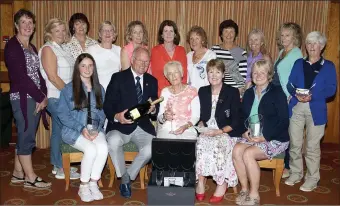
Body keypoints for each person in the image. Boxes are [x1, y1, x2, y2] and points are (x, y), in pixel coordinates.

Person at [285, 31, 337, 192]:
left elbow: (331, 89)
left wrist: (312, 96)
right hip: (297, 106)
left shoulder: (328, 66)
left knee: (312, 146)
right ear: (305, 46)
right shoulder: (298, 63)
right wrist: (296, 94)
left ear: (321, 46)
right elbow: (289, 84)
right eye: (309, 43)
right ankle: (296, 172)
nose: (312, 46)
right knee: (295, 143)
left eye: (315, 43)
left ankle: (313, 178)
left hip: (316, 108)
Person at [4, 9, 51, 189]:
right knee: (26, 136)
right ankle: (30, 177)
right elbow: (20, 77)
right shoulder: (13, 46)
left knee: (26, 135)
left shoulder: (31, 47)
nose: (27, 25)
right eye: (23, 22)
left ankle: (17, 173)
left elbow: (37, 75)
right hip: (23, 98)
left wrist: (44, 94)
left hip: (35, 97)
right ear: (16, 25)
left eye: (30, 22)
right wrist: (40, 96)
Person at [232, 59, 289, 205]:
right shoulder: (249, 93)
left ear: (269, 74)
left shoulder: (277, 92)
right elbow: (241, 116)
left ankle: (254, 194)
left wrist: (265, 137)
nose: (258, 75)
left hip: (274, 137)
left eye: (262, 72)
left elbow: (283, 121)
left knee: (248, 153)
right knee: (237, 149)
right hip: (253, 135)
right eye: (255, 72)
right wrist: (244, 131)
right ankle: (244, 189)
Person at [104, 47, 158, 198]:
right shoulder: (118, 78)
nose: (143, 64)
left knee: (153, 147)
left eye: (146, 62)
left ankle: (126, 177)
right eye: (140, 60)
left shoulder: (152, 81)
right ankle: (125, 178)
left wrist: (153, 110)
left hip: (143, 126)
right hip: (120, 126)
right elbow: (107, 104)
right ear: (132, 59)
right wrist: (117, 116)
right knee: (113, 142)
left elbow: (155, 106)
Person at [57, 53, 107, 202]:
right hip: (73, 130)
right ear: (78, 68)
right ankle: (83, 186)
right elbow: (63, 114)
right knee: (91, 149)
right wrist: (81, 129)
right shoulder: (68, 89)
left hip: (94, 129)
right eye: (83, 65)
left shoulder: (100, 88)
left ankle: (93, 183)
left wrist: (96, 129)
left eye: (90, 65)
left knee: (103, 148)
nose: (87, 68)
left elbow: (103, 112)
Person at [195, 59, 243, 203]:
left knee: (220, 146)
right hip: (207, 130)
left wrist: (219, 132)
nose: (214, 75)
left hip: (226, 132)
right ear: (207, 75)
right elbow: (200, 116)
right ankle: (201, 182)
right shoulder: (202, 91)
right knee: (201, 144)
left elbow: (236, 121)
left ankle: (222, 184)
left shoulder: (232, 92)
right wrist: (202, 124)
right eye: (210, 72)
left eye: (217, 72)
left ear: (223, 74)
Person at [39, 18, 80, 180]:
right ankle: (61, 165)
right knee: (66, 128)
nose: (62, 33)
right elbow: (53, 77)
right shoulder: (48, 49)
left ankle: (58, 166)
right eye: (57, 31)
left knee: (57, 130)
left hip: (63, 96)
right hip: (56, 97)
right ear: (49, 33)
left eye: (63, 30)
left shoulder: (62, 48)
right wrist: (71, 95)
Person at [273, 22, 303, 178]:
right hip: (277, 96)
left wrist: (292, 95)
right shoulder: (282, 52)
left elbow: (300, 77)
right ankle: (280, 162)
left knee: (288, 132)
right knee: (280, 129)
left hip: (288, 97)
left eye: (288, 35)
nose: (284, 38)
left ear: (295, 37)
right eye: (282, 35)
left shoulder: (296, 54)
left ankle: (288, 166)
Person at [157, 61, 199, 139]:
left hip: (187, 129)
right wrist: (164, 116)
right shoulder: (165, 92)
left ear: (181, 74)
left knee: (185, 147)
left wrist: (185, 126)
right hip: (167, 129)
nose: (173, 76)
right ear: (167, 78)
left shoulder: (192, 91)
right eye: (170, 74)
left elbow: (196, 116)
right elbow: (160, 117)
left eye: (176, 72)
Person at [151, 20, 187, 96]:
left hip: (179, 93)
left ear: (175, 34)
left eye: (171, 31)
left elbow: (184, 75)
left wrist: (180, 92)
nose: (168, 34)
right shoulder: (155, 51)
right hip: (161, 94)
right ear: (161, 35)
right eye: (165, 31)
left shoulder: (181, 50)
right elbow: (154, 75)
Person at [211, 19, 247, 95]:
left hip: (234, 92)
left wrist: (237, 93)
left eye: (231, 32)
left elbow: (243, 77)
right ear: (221, 34)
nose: (229, 35)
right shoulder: (214, 50)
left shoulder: (239, 52)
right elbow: (210, 72)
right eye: (226, 31)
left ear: (235, 34)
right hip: (216, 91)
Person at [88, 21, 121, 91]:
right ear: (100, 34)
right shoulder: (91, 50)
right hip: (97, 92)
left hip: (115, 92)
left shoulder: (119, 50)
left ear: (114, 34)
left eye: (110, 30)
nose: (107, 33)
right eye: (104, 30)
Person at [187, 26, 216, 90]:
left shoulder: (210, 55)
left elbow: (214, 77)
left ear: (202, 40)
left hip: (205, 93)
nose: (193, 41)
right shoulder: (188, 56)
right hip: (190, 94)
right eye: (191, 38)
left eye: (197, 38)